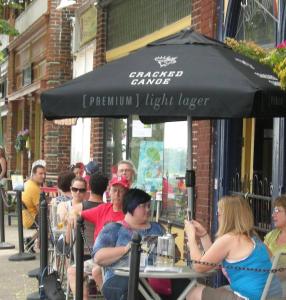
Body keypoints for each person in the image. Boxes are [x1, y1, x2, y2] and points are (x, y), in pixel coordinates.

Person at [184, 195, 282, 300]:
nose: (218, 217)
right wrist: (203, 235)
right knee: (221, 290)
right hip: (272, 297)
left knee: (192, 291)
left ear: (227, 217)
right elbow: (213, 262)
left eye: (219, 214)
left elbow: (199, 267)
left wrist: (191, 238)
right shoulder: (255, 239)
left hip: (248, 297)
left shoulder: (230, 238)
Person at [93, 188, 165, 300]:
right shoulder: (114, 228)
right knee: (135, 290)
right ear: (131, 206)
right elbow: (98, 257)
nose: (148, 209)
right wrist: (127, 249)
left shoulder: (157, 228)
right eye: (143, 206)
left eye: (148, 205)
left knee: (186, 285)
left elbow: (174, 257)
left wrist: (169, 246)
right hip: (120, 278)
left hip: (157, 279)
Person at [66, 174, 109, 299]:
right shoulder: (108, 209)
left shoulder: (77, 209)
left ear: (89, 187)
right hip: (103, 256)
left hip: (81, 255)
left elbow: (68, 240)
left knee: (74, 270)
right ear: (106, 189)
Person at [22, 164, 46, 229]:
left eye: (44, 174)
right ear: (33, 174)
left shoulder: (27, 183)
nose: (43, 176)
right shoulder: (34, 188)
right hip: (32, 220)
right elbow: (41, 210)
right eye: (40, 174)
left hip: (26, 219)